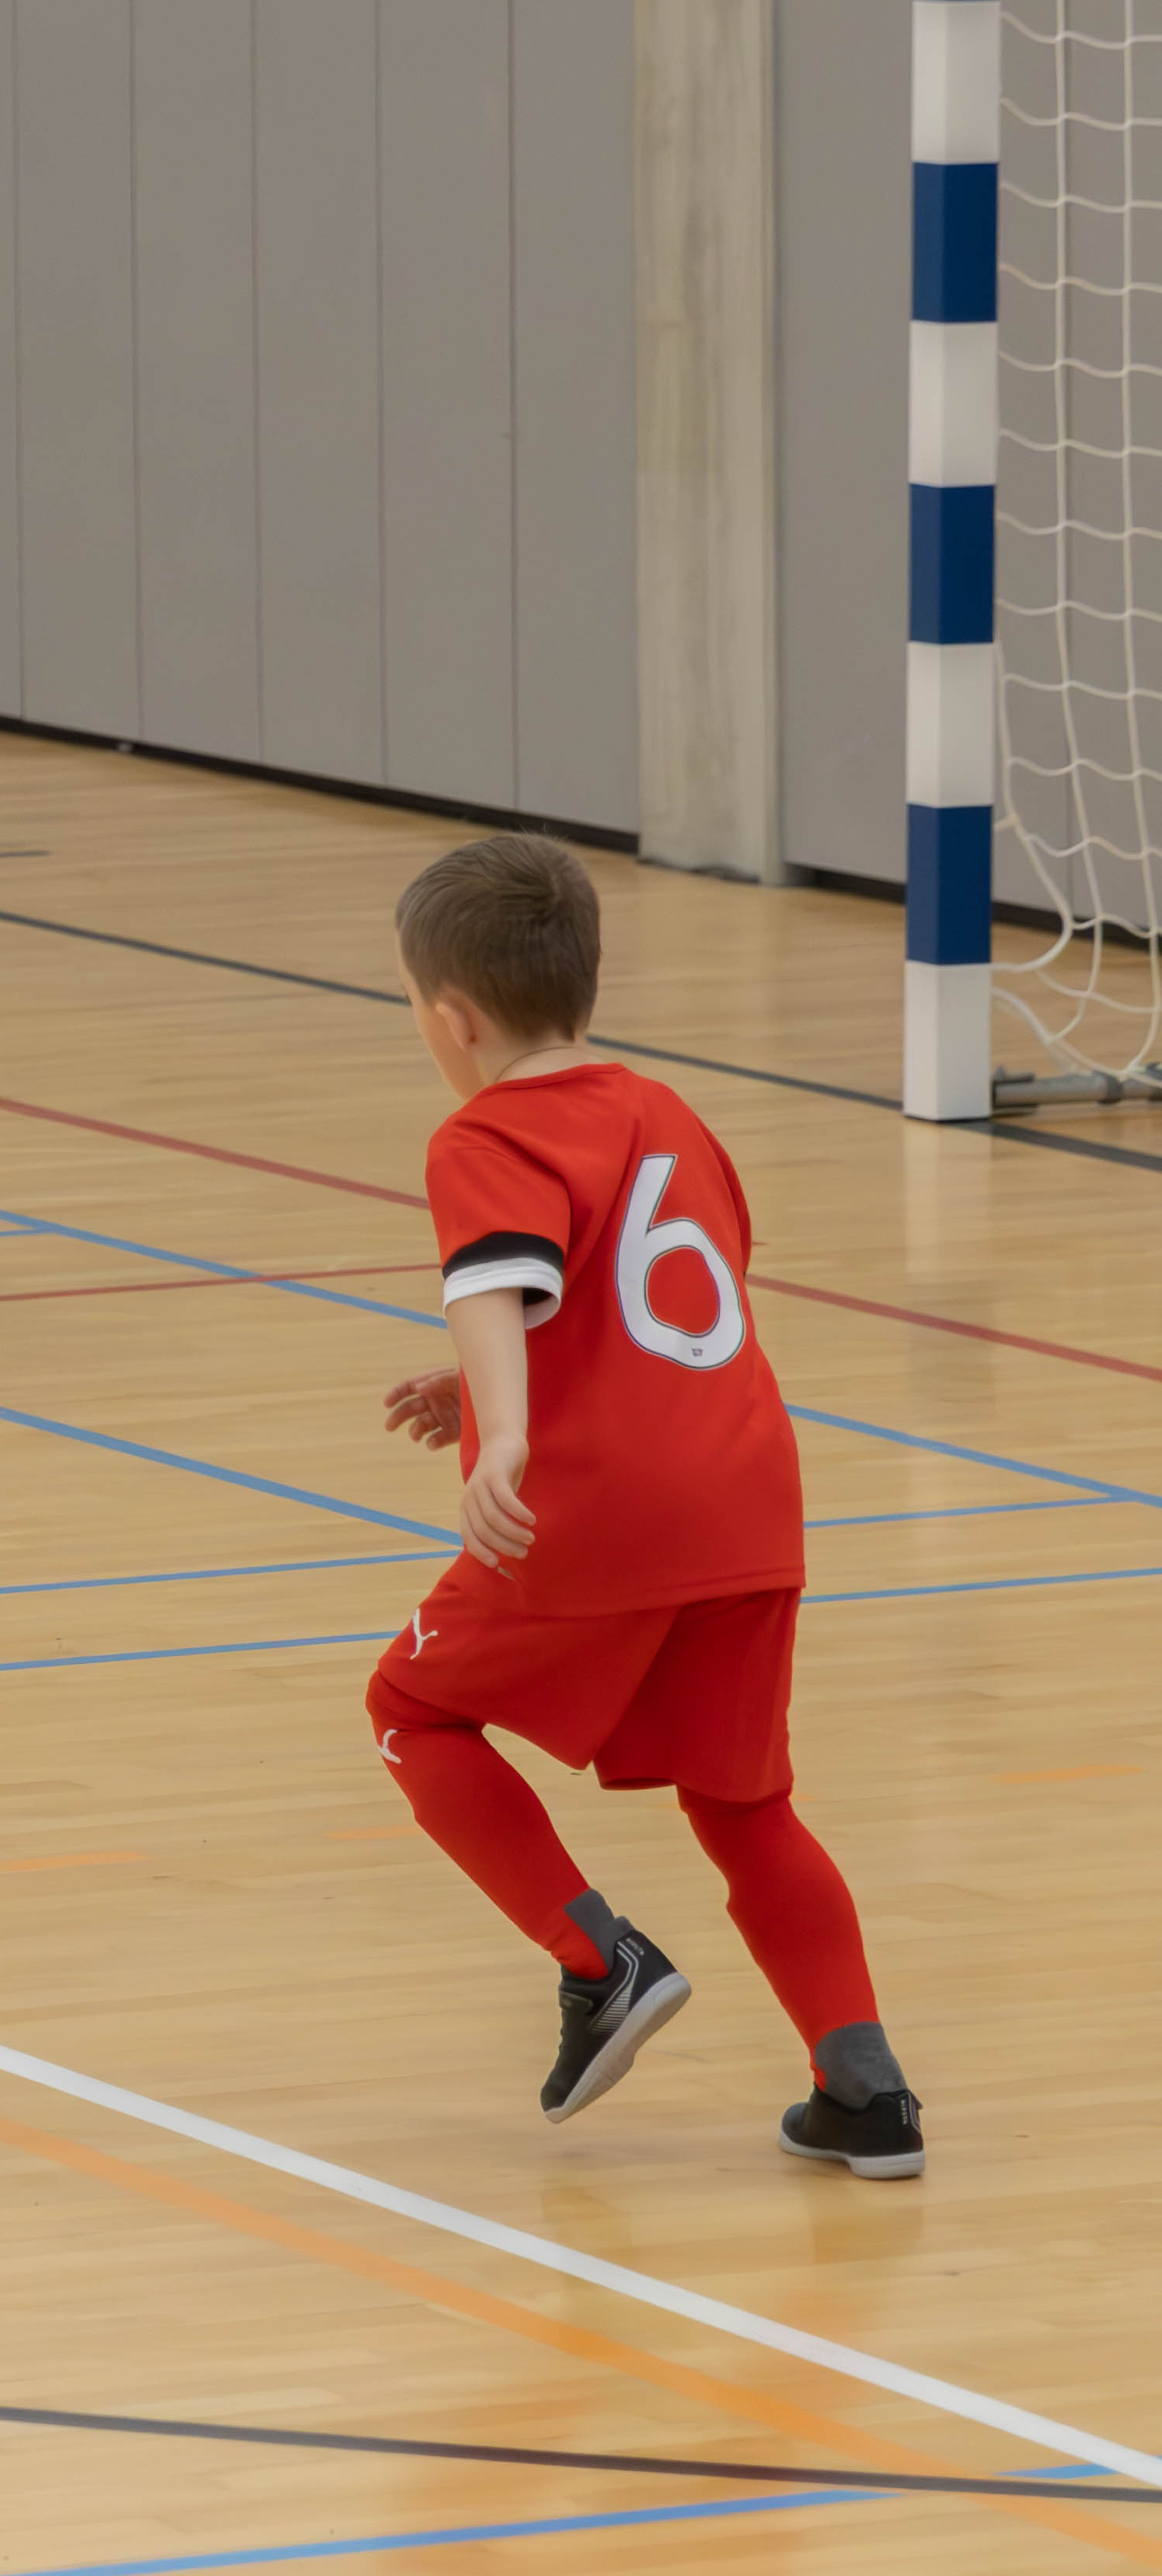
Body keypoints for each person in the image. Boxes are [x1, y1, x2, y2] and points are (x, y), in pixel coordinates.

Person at [363, 833, 918, 2175]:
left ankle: (597, 1959)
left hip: (602, 1509)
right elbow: (649, 1298)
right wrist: (486, 1381)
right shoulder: (671, 1115)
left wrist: (504, 1431)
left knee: (411, 1711)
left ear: (454, 1017)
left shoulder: (485, 1132)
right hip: (749, 1501)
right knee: (745, 1802)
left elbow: (494, 1277)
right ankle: (864, 2090)